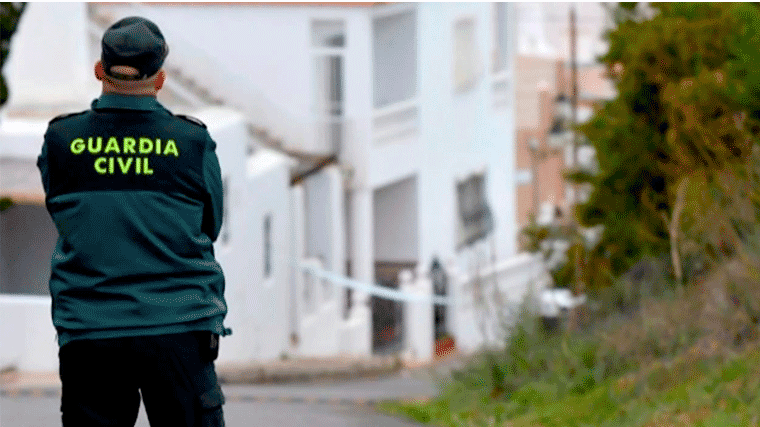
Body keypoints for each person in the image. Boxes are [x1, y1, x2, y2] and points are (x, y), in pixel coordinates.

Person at [37, 16, 230, 427]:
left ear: (99, 71)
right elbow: (209, 226)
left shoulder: (61, 140)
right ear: (159, 79)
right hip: (179, 325)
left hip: (90, 329)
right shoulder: (192, 142)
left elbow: (62, 212)